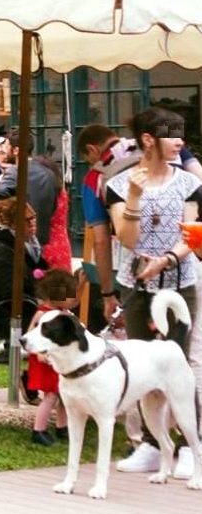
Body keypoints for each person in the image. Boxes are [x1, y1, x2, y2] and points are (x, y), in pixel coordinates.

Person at [106, 106, 201, 478]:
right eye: (172, 133)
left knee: (179, 361)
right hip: (136, 283)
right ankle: (151, 442)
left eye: (182, 133)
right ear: (149, 139)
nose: (181, 141)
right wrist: (132, 196)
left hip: (179, 281)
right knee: (142, 363)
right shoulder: (117, 183)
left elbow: (191, 234)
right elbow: (126, 239)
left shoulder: (189, 182)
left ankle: (192, 445)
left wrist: (166, 259)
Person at [0, 196, 44, 360]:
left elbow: (42, 273)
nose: (32, 224)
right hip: (5, 314)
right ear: (13, 223)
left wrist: (64, 290)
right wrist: (46, 298)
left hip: (26, 302)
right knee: (63, 302)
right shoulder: (1, 251)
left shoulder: (26, 246)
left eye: (33, 219)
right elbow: (11, 292)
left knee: (72, 295)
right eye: (27, 220)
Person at [75, 122, 124, 330]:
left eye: (88, 160)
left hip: (134, 270)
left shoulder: (94, 178)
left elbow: (101, 240)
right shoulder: (151, 151)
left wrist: (107, 294)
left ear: (92, 149)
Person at [27, 269, 77, 447]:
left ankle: (62, 427)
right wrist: (38, 352)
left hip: (58, 360)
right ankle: (38, 429)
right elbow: (30, 335)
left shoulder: (61, 311)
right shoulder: (43, 314)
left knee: (63, 395)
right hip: (46, 361)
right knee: (51, 395)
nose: (72, 299)